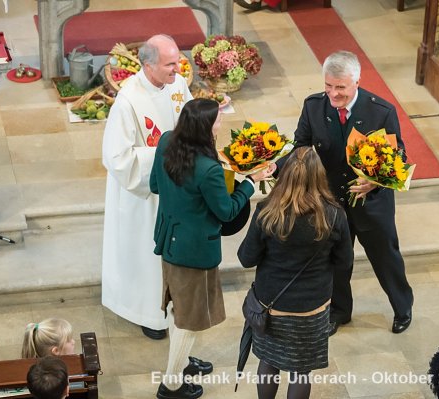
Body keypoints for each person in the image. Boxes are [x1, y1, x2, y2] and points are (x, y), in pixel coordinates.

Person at [278, 50, 413, 335]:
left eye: (340, 87)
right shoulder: (314, 107)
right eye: (328, 86)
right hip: (331, 200)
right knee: (336, 260)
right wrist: (274, 167)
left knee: (386, 258)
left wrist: (374, 182)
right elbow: (300, 146)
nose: (333, 94)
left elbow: (398, 158)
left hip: (372, 204)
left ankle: (403, 307)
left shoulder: (381, 111)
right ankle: (340, 311)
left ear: (356, 82)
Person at [150, 98, 275, 399]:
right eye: (218, 119)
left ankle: (179, 363)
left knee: (176, 306)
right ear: (206, 127)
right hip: (194, 252)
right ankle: (172, 384)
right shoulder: (208, 170)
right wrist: (249, 182)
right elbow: (227, 212)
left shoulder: (167, 140)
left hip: (170, 239)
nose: (221, 123)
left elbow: (155, 185)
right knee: (189, 318)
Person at [238, 147, 353, 399]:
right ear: (319, 176)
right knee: (301, 372)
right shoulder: (334, 214)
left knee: (269, 362)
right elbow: (344, 263)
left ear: (285, 175)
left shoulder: (266, 211)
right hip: (312, 308)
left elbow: (246, 258)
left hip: (271, 306)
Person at [101, 34, 193, 341]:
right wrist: (166, 152)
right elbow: (116, 157)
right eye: (169, 64)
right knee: (146, 255)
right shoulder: (129, 101)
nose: (177, 69)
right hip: (145, 195)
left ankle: (173, 305)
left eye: (178, 61)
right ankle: (148, 312)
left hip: (178, 186)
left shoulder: (177, 85)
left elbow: (189, 121)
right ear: (148, 65)